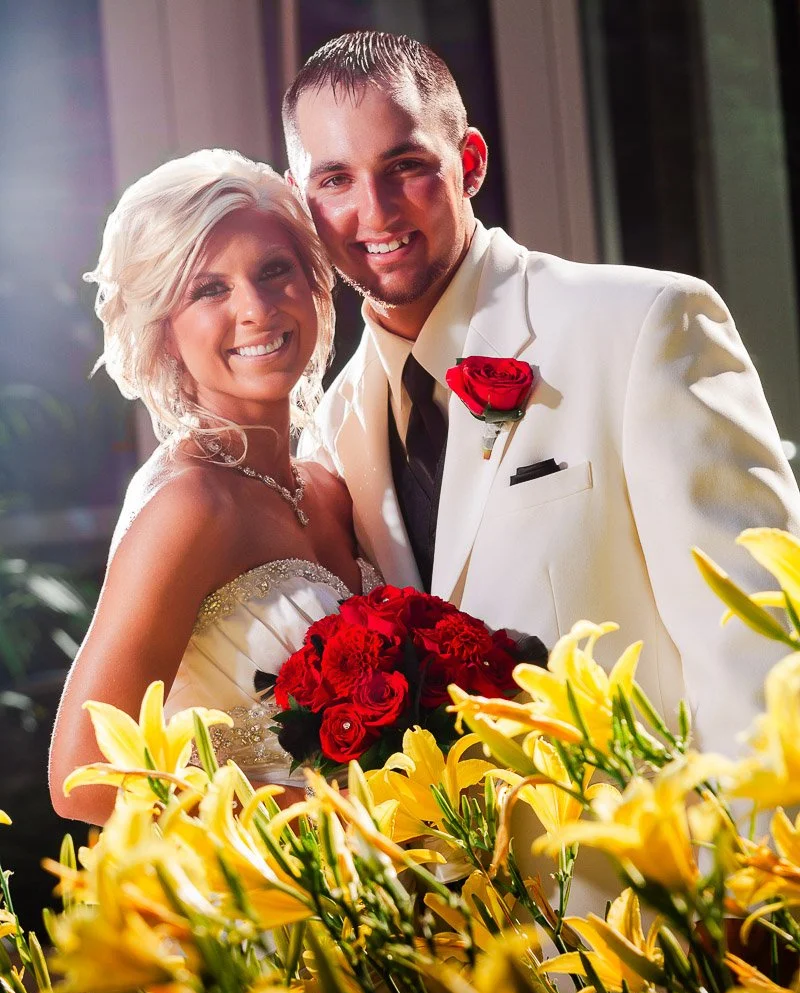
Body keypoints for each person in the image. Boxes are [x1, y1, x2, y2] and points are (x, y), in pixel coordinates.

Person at [285, 30, 800, 758]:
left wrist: (743, 867)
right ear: (302, 199)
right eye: (335, 179)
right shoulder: (329, 429)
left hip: (651, 860)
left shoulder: (644, 325)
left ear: (469, 165)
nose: (374, 210)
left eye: (405, 166)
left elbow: (759, 650)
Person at [49, 148, 381, 828]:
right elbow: (84, 777)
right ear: (164, 332)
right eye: (209, 289)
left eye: (274, 271)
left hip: (384, 899)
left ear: (315, 285)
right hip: (259, 909)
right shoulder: (190, 505)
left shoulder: (332, 486)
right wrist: (326, 815)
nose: (257, 309)